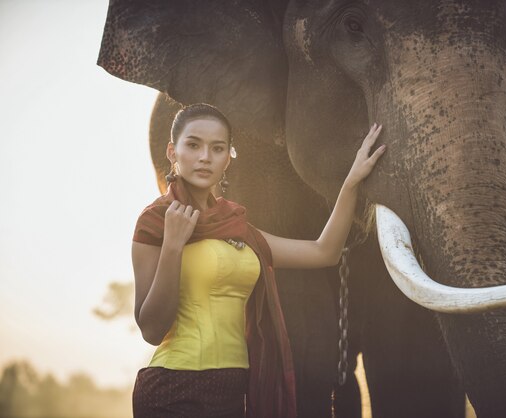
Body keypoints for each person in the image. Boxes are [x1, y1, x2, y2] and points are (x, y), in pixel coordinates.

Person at [130, 103, 385, 418]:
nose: (205, 157)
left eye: (217, 148)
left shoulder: (239, 229)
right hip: (174, 392)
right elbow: (152, 329)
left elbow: (324, 251)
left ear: (228, 158)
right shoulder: (156, 222)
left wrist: (352, 181)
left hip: (234, 395)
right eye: (193, 145)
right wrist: (172, 246)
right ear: (172, 151)